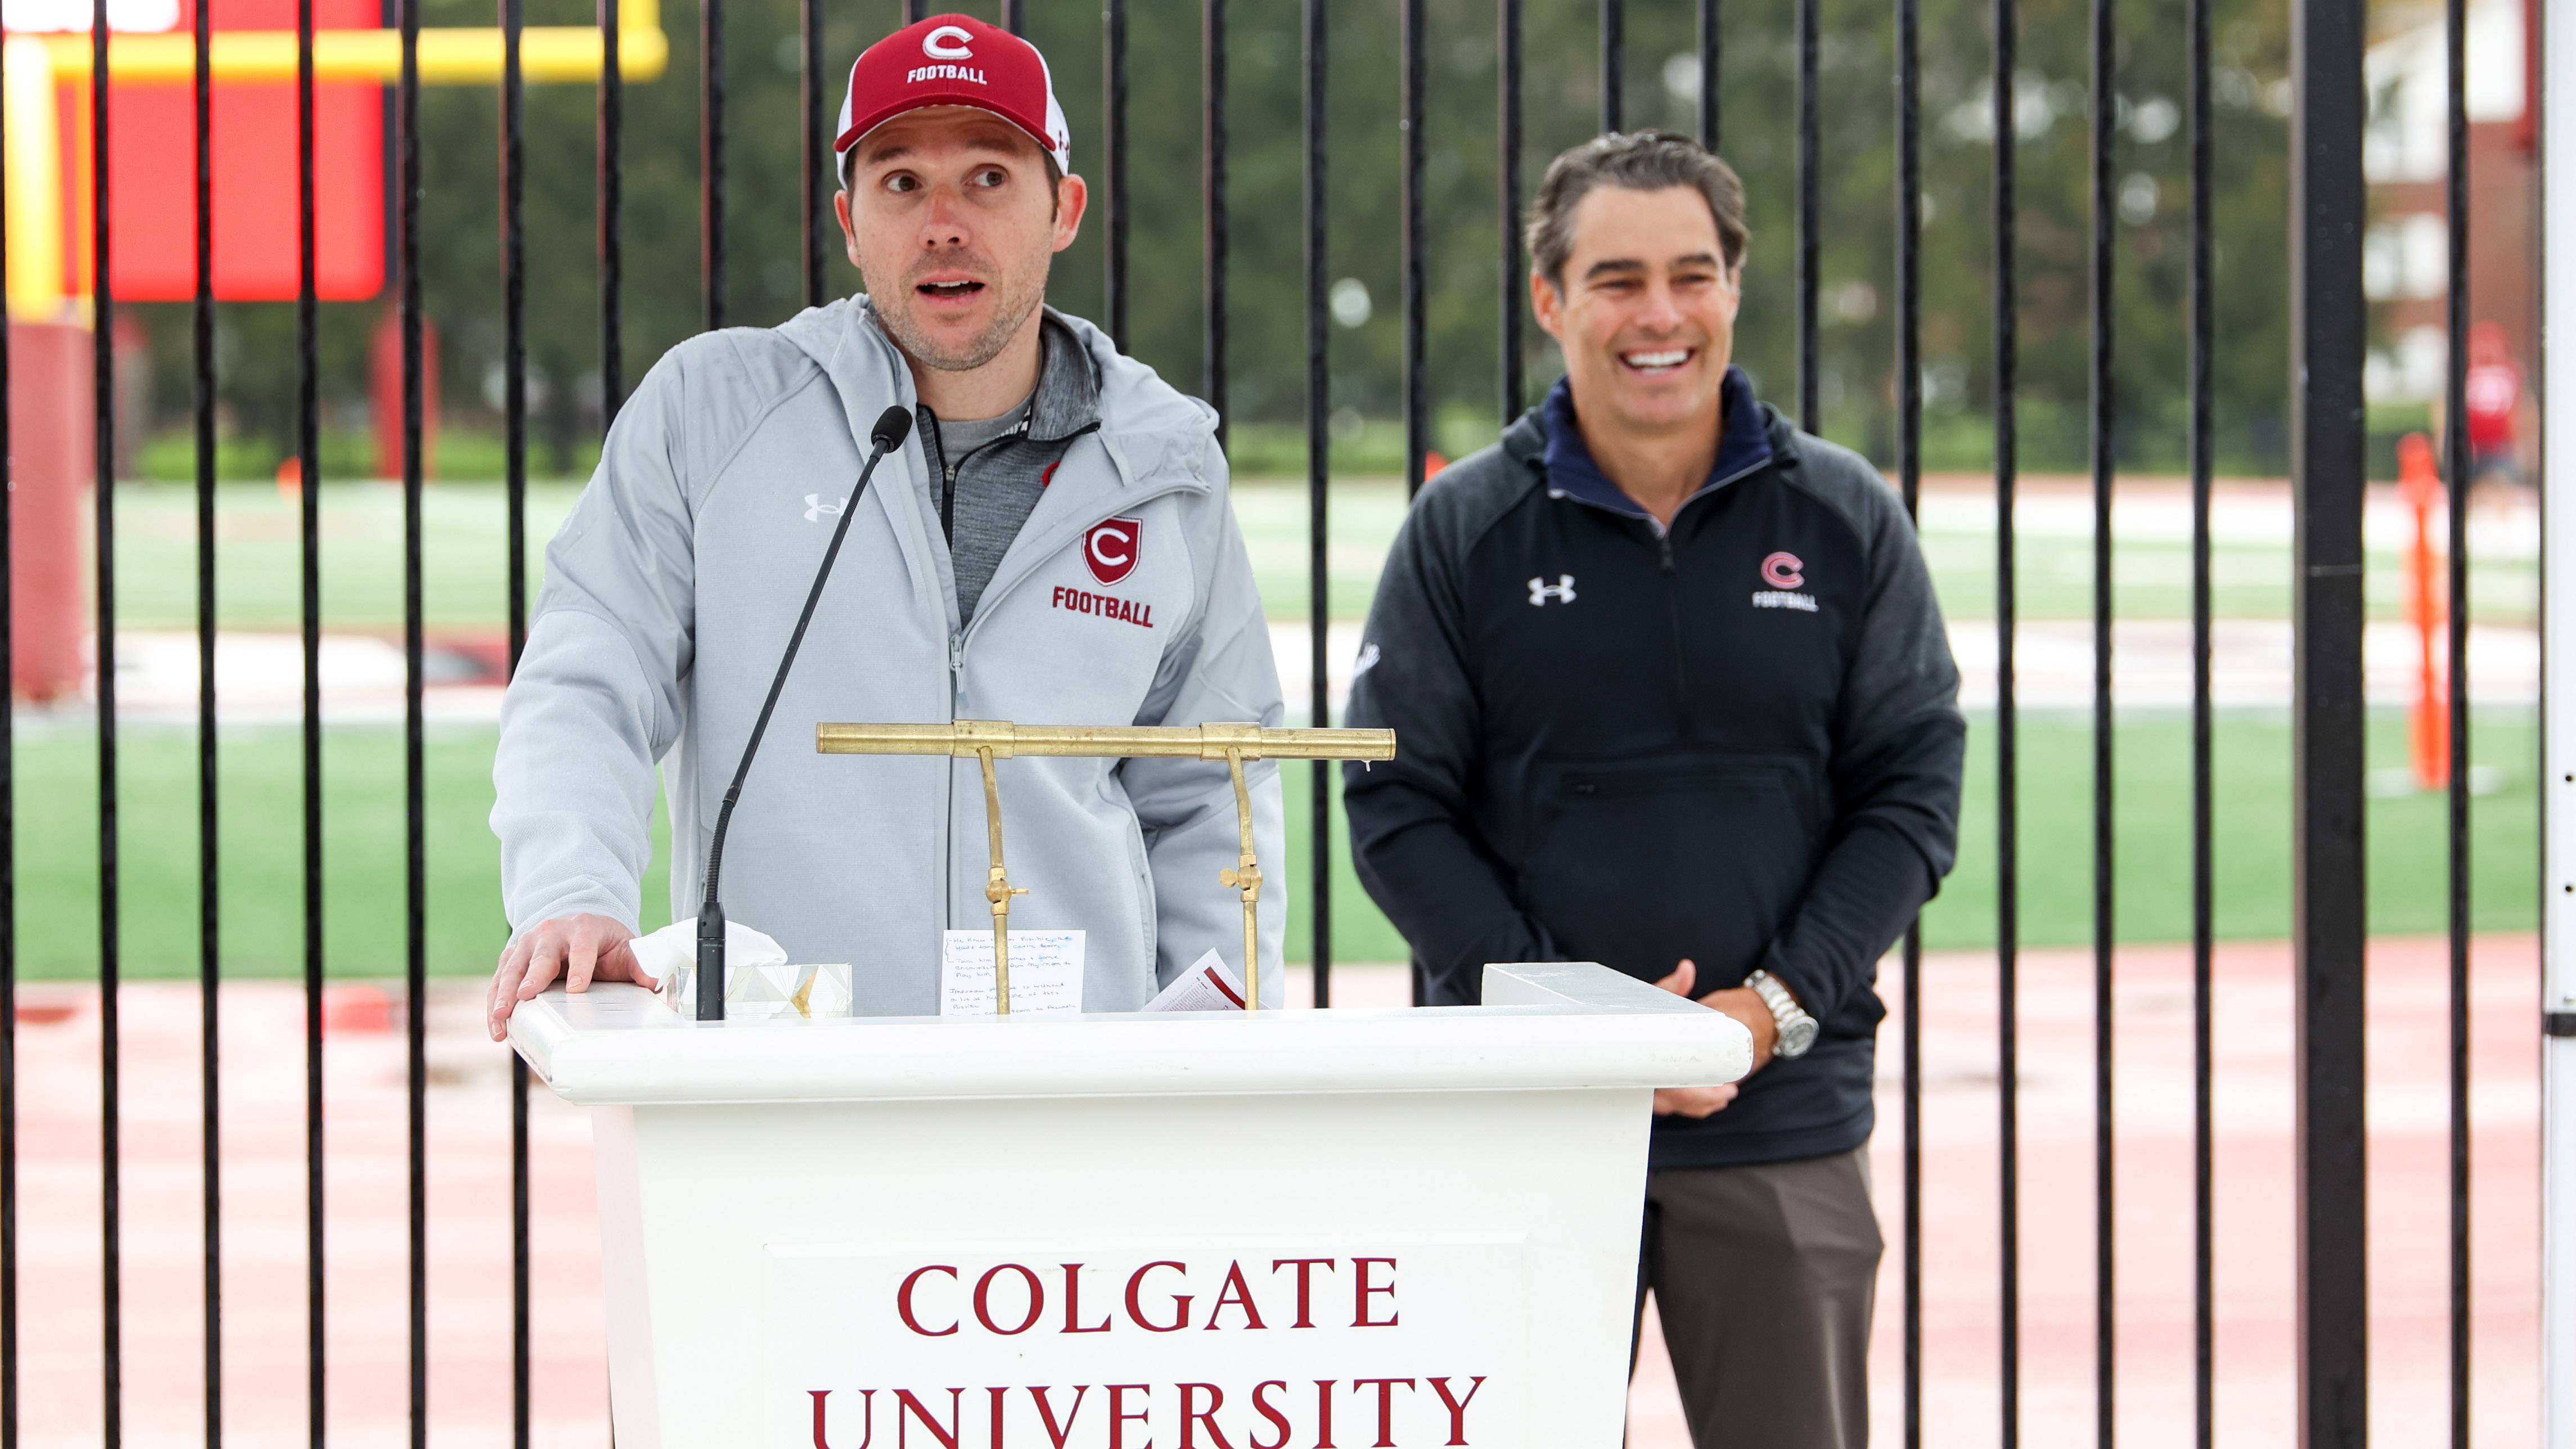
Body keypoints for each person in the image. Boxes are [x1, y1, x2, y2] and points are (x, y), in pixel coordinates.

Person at [484, 12, 1284, 1039]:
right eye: (902, 182)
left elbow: (1216, 791)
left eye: (988, 177)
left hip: (1072, 1084)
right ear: (850, 222)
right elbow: (586, 675)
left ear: (1065, 210)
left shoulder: (1166, 465)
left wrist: (1206, 1059)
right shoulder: (710, 413)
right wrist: (572, 888)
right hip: (786, 1072)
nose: (944, 223)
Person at [1341, 130, 1963, 1447]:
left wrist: (1766, 1012)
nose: (1660, 314)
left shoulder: (1843, 517)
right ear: (1550, 299)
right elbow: (1397, 804)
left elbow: (1911, 791)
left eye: (1691, 274)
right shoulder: (1463, 532)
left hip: (1778, 1116)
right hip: (1527, 1119)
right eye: (1616, 279)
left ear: (1734, 286)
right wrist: (1569, 1026)